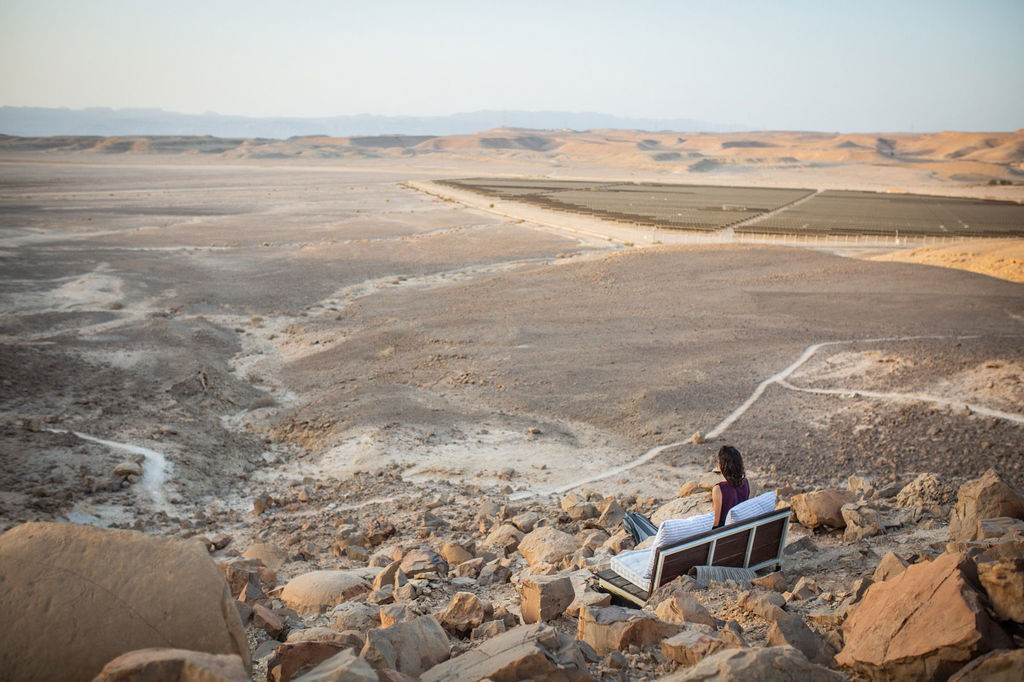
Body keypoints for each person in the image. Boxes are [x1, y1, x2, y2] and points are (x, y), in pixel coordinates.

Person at [712, 445, 749, 528]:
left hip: (725, 536)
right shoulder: (745, 483)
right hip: (741, 531)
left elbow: (715, 522)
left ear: (722, 465)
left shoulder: (719, 489)